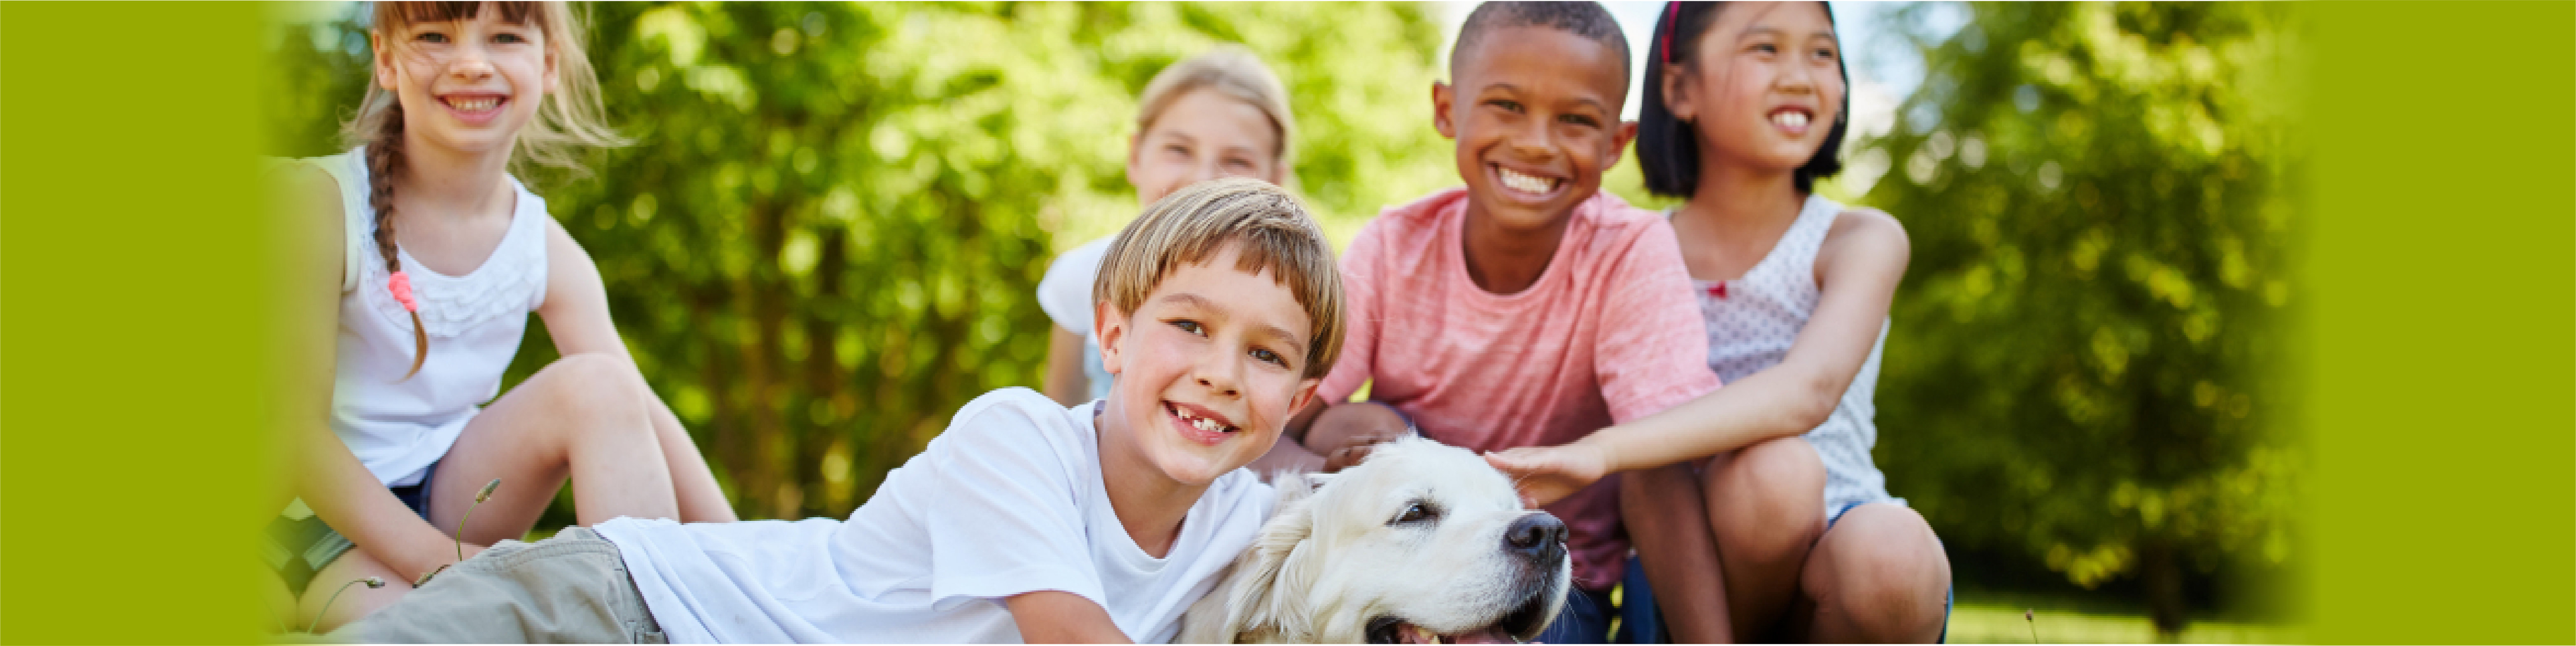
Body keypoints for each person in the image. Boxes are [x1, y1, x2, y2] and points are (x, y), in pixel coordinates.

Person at [337, 178, 1347, 644]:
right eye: (1190, 327)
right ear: (1111, 336)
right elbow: (1071, 634)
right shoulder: (1020, 439)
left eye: (1264, 355)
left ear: (1299, 398)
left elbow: (1372, 565)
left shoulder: (1239, 528)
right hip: (630, 604)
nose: (1221, 372)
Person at [1483, 2, 1952, 642]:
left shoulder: (1858, 238)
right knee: (1771, 477)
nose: (1799, 76)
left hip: (1840, 540)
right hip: (1684, 560)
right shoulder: (1627, 249)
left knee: (1872, 534)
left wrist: (1596, 454)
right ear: (1678, 88)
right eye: (1765, 49)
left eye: (1821, 53)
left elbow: (1805, 393)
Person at [1261, 3, 1722, 642]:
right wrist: (1341, 478)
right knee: (1359, 423)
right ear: (1447, 109)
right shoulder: (1395, 245)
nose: (1536, 141)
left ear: (1615, 143)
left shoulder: (1628, 249)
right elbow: (1271, 420)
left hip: (1556, 584)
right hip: (1414, 569)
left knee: (1653, 449)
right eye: (1506, 105)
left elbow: (1668, 455)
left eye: (1575, 120)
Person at [269, 1, 735, 633]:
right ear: (385, 59)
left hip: (445, 498)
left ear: (547, 65)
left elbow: (640, 408)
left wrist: (740, 555)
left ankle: (646, 613)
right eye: (435, 35)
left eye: (504, 36)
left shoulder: (542, 246)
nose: (470, 62)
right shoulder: (319, 206)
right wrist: (445, 562)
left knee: (600, 383)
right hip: (306, 515)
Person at [1039, 46, 1298, 407]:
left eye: (1237, 160)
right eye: (1178, 150)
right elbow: (1060, 408)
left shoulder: (1292, 297)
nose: (1202, 179)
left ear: (1275, 180)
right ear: (1135, 157)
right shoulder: (1082, 275)